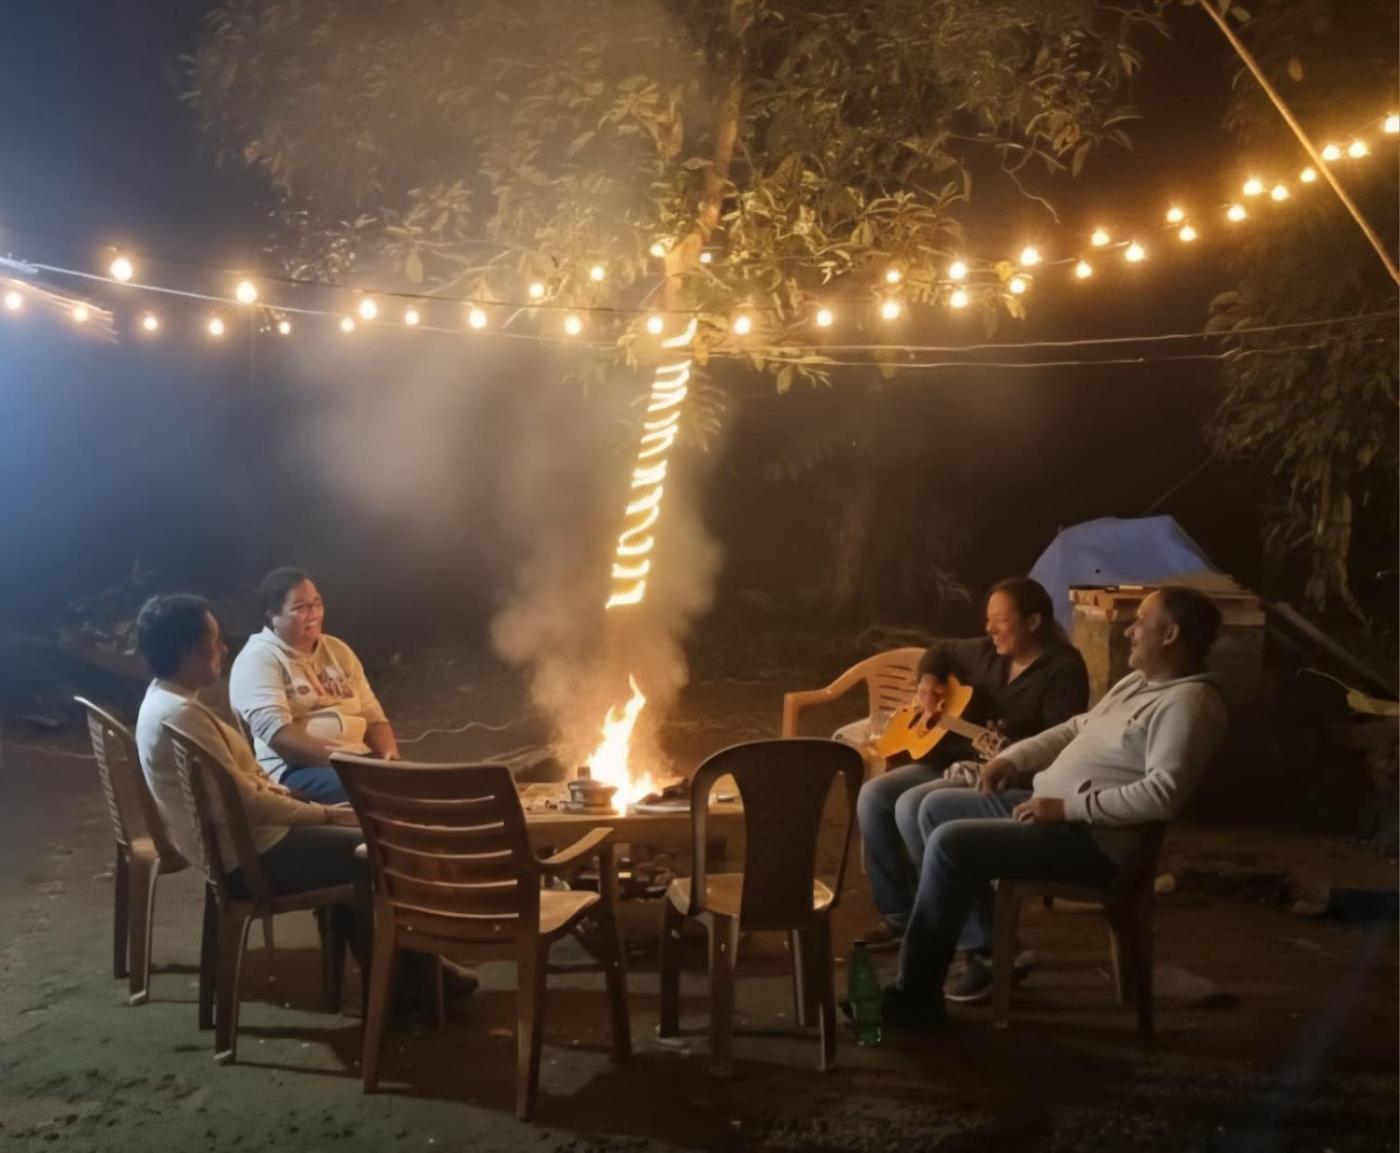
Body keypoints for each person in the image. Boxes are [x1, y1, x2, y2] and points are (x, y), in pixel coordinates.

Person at [883, 586, 1229, 1030]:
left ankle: (915, 995)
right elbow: (1076, 726)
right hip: (1050, 812)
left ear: (1170, 634)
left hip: (1094, 842)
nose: (1129, 630)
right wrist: (1013, 758)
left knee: (952, 842)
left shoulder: (1191, 704)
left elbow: (1163, 795)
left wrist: (1068, 808)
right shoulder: (1138, 683)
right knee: (931, 807)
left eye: (1141, 621)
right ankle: (981, 949)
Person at [855, 577, 1089, 956]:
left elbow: (1057, 743)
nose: (989, 629)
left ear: (1033, 622)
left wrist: (1012, 754)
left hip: (1009, 776)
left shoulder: (1063, 670)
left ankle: (973, 935)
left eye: (1001, 620)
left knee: (911, 805)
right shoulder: (987, 651)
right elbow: (939, 652)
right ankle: (900, 916)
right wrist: (929, 683)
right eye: (988, 619)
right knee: (873, 795)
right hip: (953, 760)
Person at [133, 594, 365, 905]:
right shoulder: (181, 714)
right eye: (214, 640)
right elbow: (246, 803)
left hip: (238, 847)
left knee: (356, 832)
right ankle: (376, 936)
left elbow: (239, 791)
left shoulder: (161, 699)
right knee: (381, 849)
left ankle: (350, 933)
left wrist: (302, 804)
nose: (223, 649)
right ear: (189, 651)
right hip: (252, 857)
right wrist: (325, 815)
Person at [229, 567, 400, 805]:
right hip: (296, 771)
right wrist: (350, 764)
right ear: (272, 615)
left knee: (416, 784)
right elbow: (278, 735)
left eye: (316, 604)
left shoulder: (337, 650)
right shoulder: (260, 658)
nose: (313, 614)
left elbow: (373, 716)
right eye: (300, 608)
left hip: (356, 762)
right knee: (384, 792)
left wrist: (391, 759)